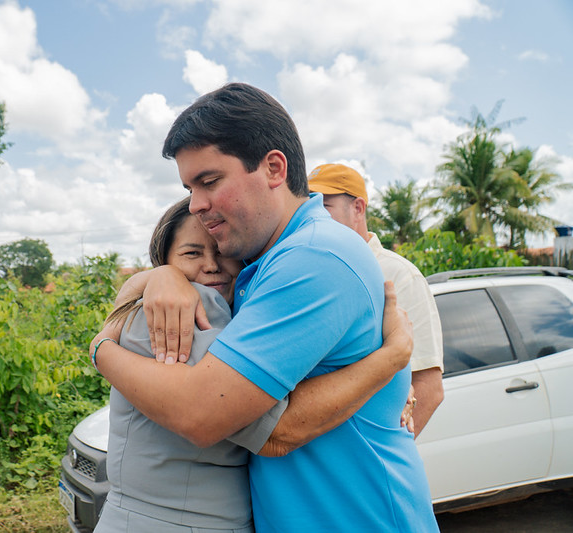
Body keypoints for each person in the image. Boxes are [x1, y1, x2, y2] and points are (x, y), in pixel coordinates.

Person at [91, 83, 438, 531]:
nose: (197, 205)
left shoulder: (313, 259)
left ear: (274, 167)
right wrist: (160, 275)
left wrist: (101, 347)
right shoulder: (263, 262)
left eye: (209, 181)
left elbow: (237, 422)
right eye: (189, 187)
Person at [95, 197, 414, 532]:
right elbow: (273, 430)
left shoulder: (238, 318)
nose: (212, 265)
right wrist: (388, 362)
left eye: (222, 251)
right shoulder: (180, 314)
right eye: (191, 254)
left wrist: (392, 391)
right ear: (165, 260)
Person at [307, 163, 445, 436]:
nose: (314, 216)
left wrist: (388, 451)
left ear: (358, 208)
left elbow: (429, 385)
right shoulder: (314, 269)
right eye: (310, 206)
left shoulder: (399, 275)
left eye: (325, 206)